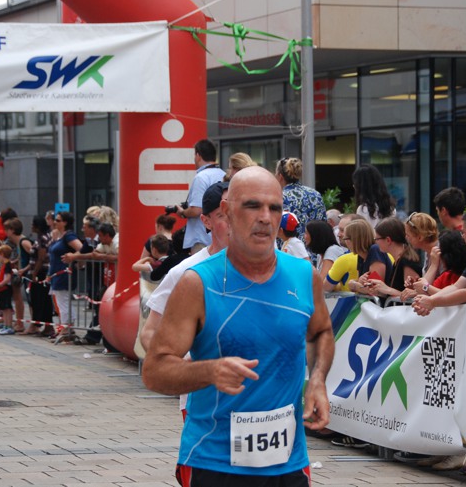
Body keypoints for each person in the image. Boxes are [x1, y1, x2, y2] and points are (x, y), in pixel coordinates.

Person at [142, 167, 334, 485]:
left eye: (274, 208)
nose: (265, 218)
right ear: (227, 213)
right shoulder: (196, 282)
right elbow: (154, 371)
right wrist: (209, 371)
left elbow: (321, 332)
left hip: (288, 462)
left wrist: (317, 380)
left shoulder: (304, 275)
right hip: (216, 461)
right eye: (252, 206)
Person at [141, 181, 230, 354]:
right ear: (206, 221)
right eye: (222, 215)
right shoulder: (186, 271)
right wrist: (178, 366)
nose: (232, 221)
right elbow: (150, 332)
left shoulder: (267, 267)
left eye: (237, 212)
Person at [176, 139, 225, 254]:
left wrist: (183, 212)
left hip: (202, 239)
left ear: (198, 156)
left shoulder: (201, 177)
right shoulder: (223, 174)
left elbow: (196, 210)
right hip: (221, 236)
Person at [324, 220, 391, 294]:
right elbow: (362, 283)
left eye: (346, 239)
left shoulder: (375, 250)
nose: (346, 242)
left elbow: (374, 290)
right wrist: (355, 283)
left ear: (355, 239)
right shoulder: (361, 256)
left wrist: (354, 285)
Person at [364, 217, 423, 299]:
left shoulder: (406, 262)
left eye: (377, 239)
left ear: (388, 240)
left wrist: (387, 289)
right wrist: (378, 289)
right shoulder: (398, 260)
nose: (376, 242)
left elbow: (412, 297)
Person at [47, 211, 83, 341]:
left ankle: (66, 329)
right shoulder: (60, 236)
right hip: (57, 274)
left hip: (64, 274)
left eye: (58, 220)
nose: (55, 222)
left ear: (65, 222)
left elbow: (82, 248)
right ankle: (67, 328)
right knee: (62, 302)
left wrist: (73, 257)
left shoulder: (69, 236)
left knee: (63, 302)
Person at [404, 229, 466, 297]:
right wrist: (415, 287)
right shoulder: (447, 275)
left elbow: (453, 296)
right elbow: (424, 290)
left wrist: (434, 265)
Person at [274, 157, 326, 240]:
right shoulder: (315, 195)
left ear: (280, 177)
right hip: (312, 247)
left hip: (287, 247)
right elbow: (323, 225)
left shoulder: (278, 197)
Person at [26, 215, 54, 337]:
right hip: (41, 271)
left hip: (41, 273)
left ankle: (46, 326)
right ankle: (47, 326)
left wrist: (34, 273)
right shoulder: (46, 236)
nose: (31, 226)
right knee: (44, 300)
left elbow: (41, 257)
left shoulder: (42, 238)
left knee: (40, 300)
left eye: (33, 224)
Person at [404, 212, 441, 285]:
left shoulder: (440, 251)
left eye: (408, 235)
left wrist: (420, 286)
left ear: (420, 237)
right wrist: (415, 285)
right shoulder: (427, 251)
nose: (406, 237)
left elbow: (426, 287)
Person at [0, 244, 16, 335]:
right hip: (2, 289)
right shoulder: (4, 265)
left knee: (7, 308)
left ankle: (9, 326)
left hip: (6, 289)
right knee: (4, 308)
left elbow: (7, 278)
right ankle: (5, 325)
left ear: (2, 254)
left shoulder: (7, 265)